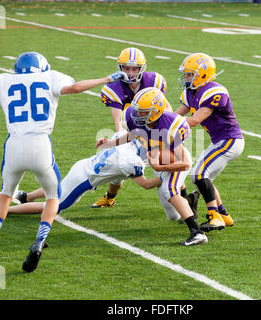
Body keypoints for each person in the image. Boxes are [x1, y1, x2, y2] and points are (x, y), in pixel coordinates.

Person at [0, 51, 127, 272]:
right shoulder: (50, 77)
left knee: (5, 194)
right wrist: (107, 79)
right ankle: (39, 242)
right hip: (40, 144)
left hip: (14, 144)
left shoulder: (4, 81)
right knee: (53, 196)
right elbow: (75, 88)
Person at [97, 87, 207, 246]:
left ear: (155, 111)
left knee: (170, 191)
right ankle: (189, 200)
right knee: (173, 216)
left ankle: (197, 232)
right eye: (136, 110)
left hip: (174, 162)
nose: (136, 114)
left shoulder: (171, 125)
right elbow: (133, 134)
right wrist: (109, 144)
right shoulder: (134, 119)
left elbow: (185, 163)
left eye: (142, 111)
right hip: (159, 161)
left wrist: (161, 168)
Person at [0, 140, 161, 216]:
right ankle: (4, 210)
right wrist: (167, 177)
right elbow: (145, 184)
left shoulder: (130, 146)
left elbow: (117, 179)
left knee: (60, 188)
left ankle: (26, 196)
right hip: (84, 179)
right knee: (55, 206)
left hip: (82, 165)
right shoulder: (133, 162)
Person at [175, 53, 245, 232]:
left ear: (203, 75)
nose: (186, 77)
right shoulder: (191, 92)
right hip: (220, 141)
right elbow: (178, 114)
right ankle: (224, 216)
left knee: (198, 175)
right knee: (204, 177)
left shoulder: (214, 92)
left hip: (229, 141)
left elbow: (195, 120)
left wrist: (170, 126)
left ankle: (214, 216)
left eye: (190, 74)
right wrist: (161, 120)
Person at [92, 47, 168, 209]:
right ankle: (110, 198)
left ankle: (180, 194)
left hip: (154, 130)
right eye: (127, 68)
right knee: (116, 167)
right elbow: (118, 119)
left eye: (135, 68)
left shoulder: (154, 81)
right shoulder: (114, 88)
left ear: (142, 68)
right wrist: (121, 137)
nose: (131, 72)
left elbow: (164, 107)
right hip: (131, 130)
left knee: (163, 164)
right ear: (120, 68)